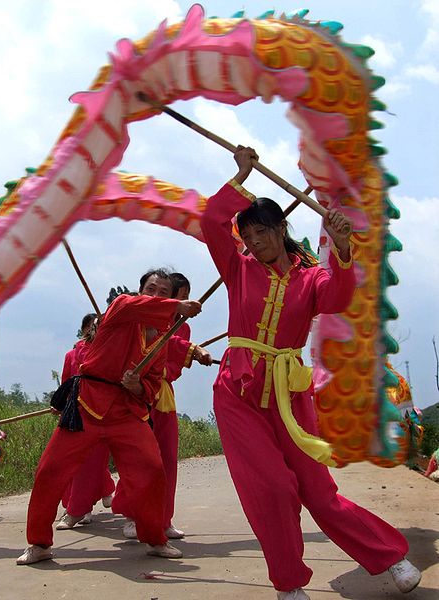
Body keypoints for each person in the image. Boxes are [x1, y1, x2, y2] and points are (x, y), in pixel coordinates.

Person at [200, 146, 421, 599]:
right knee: (275, 487)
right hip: (237, 392)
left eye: (262, 232)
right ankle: (288, 585)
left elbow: (340, 298)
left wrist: (342, 248)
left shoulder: (312, 277)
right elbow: (209, 223)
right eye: (248, 235)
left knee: (318, 491)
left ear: (282, 228)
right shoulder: (237, 267)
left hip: (290, 394)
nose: (255, 242)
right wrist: (241, 177)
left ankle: (390, 557)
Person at [17, 269, 202, 565]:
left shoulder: (162, 339)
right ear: (139, 292)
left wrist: (138, 385)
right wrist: (175, 306)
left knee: (153, 472)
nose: (155, 295)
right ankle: (38, 543)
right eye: (150, 288)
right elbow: (130, 305)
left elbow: (154, 384)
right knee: (50, 472)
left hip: (127, 414)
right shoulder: (120, 309)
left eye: (163, 292)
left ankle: (155, 538)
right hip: (87, 406)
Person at [113, 271, 213, 540]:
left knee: (166, 461)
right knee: (139, 461)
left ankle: (163, 518)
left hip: (162, 396)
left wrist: (190, 352)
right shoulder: (132, 318)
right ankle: (133, 515)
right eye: (153, 291)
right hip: (132, 398)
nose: (181, 303)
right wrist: (192, 350)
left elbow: (174, 354)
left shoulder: (179, 327)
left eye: (179, 297)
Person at [56, 312, 116, 530]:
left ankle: (90, 503)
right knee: (73, 462)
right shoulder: (74, 353)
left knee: (95, 460)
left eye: (98, 327)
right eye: (91, 328)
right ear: (84, 331)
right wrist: (61, 405)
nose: (95, 331)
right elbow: (66, 382)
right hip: (77, 411)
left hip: (105, 412)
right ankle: (79, 506)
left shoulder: (112, 350)